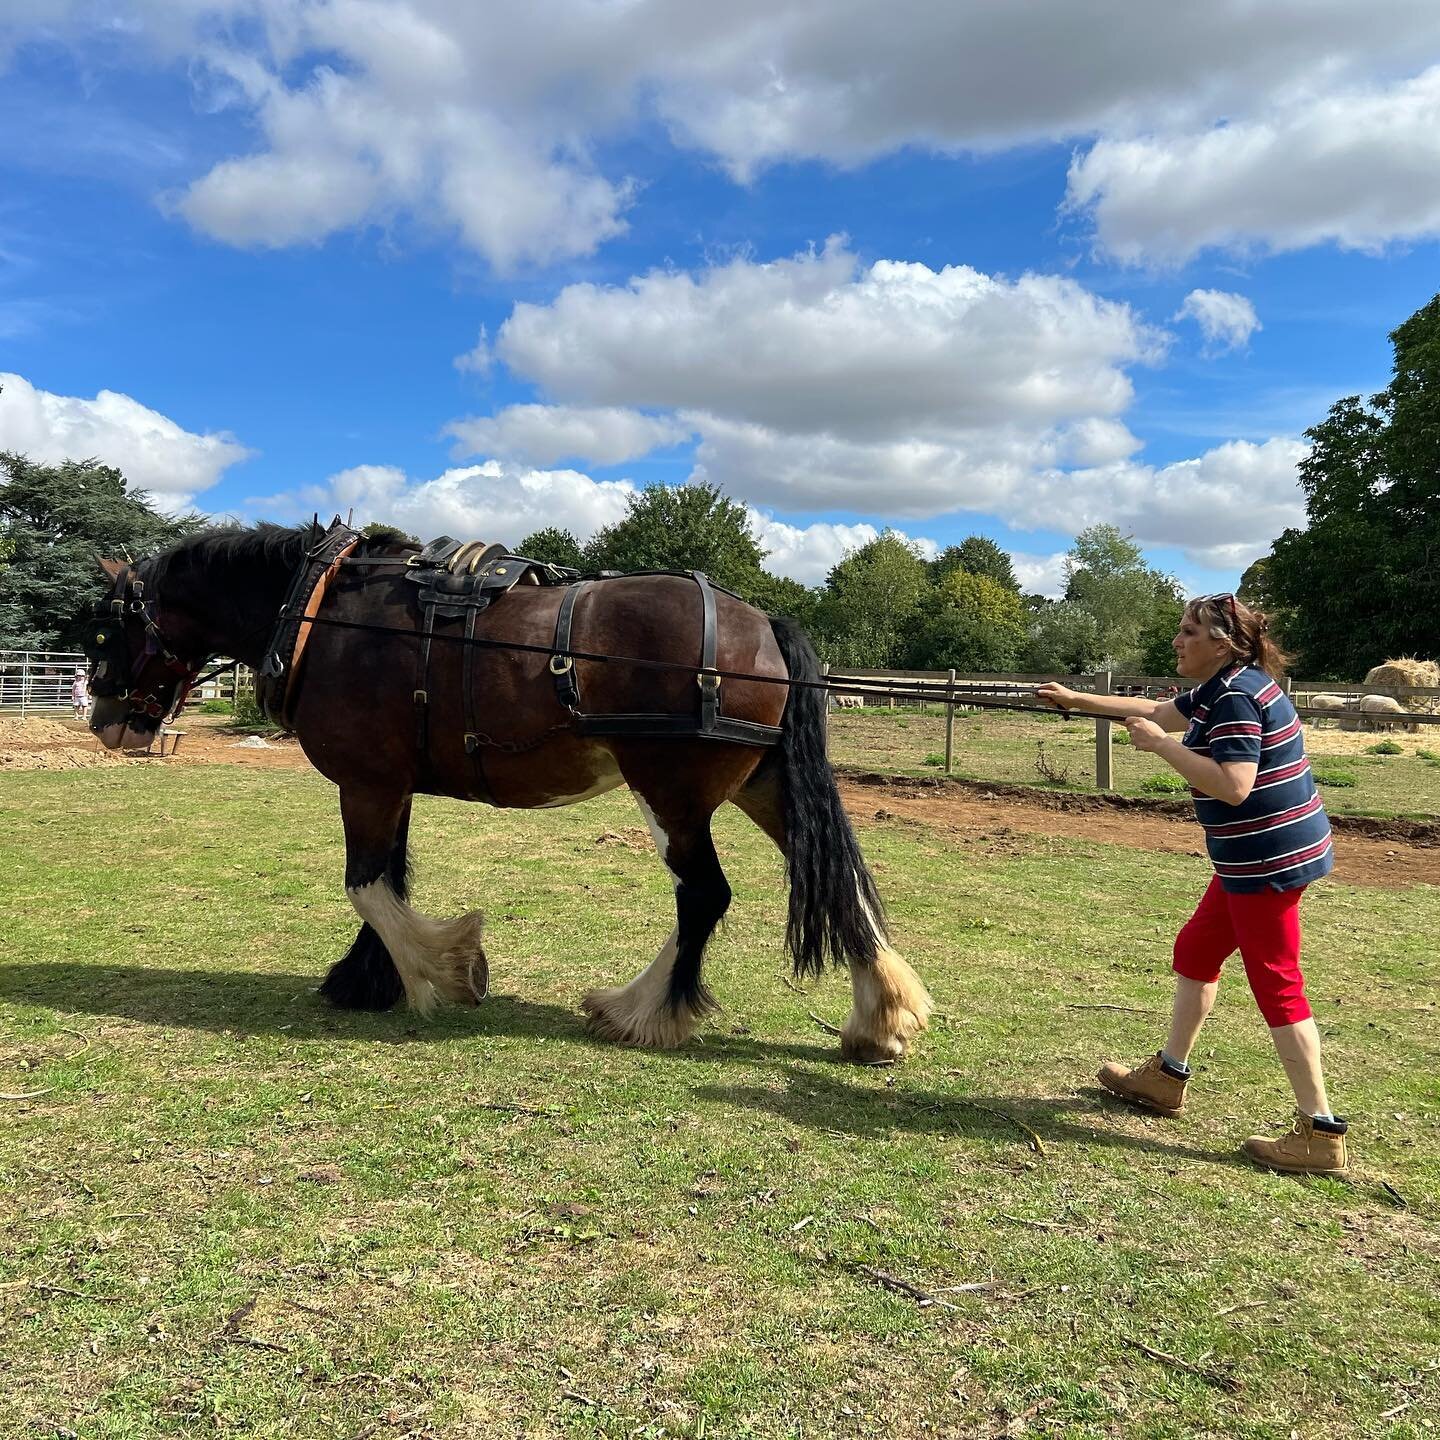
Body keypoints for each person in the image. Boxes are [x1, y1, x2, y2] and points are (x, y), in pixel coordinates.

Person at [1036, 593, 1348, 1174]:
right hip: (1253, 859)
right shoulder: (1229, 683)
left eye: (1187, 633)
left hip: (1265, 863)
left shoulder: (1234, 699)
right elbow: (1156, 710)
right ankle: (1167, 1078)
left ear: (1222, 643)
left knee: (1277, 984)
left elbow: (1234, 785)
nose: (1177, 642)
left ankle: (1320, 1131)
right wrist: (1076, 700)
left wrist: (1163, 750)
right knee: (1197, 950)